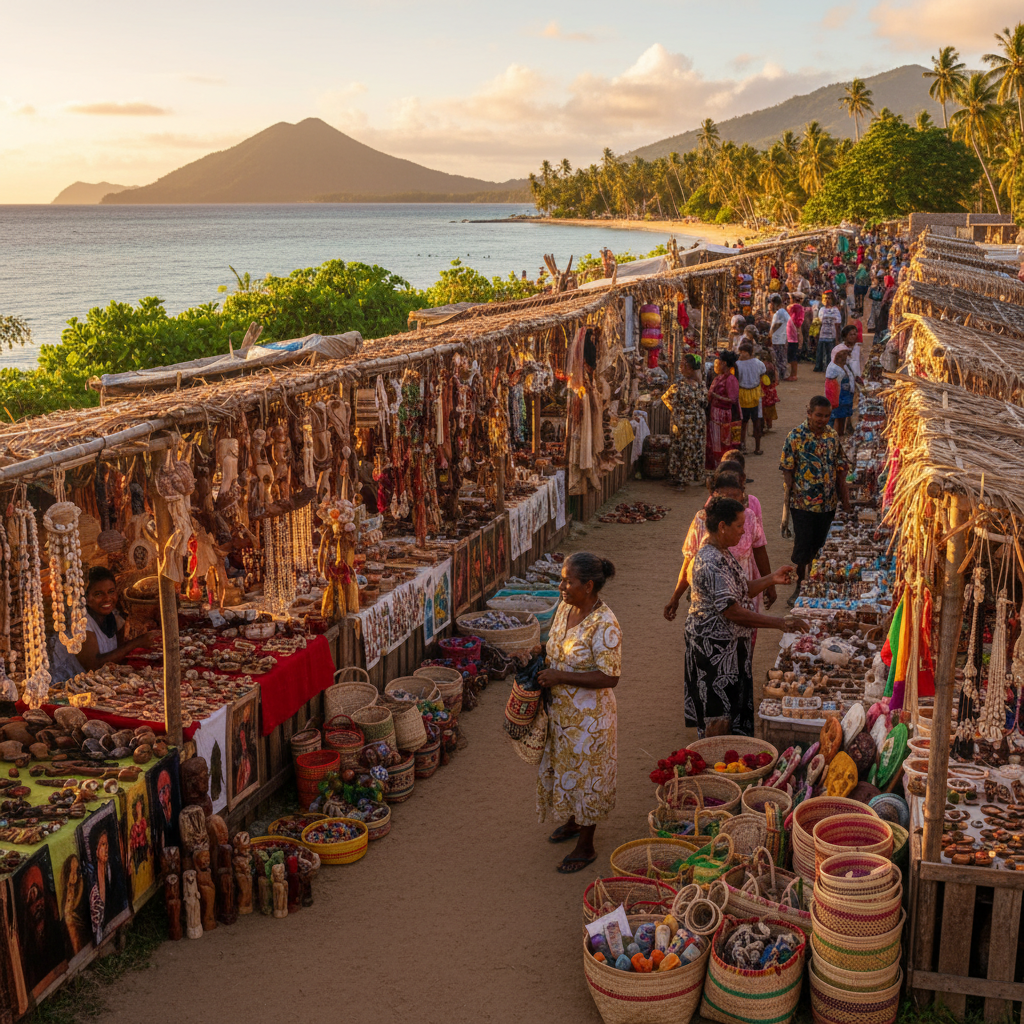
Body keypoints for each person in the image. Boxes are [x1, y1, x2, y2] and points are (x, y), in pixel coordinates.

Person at [672, 496, 807, 736]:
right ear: (722, 526)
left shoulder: (721, 551)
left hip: (727, 649)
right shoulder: (710, 560)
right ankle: (717, 761)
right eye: (738, 526)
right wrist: (780, 623)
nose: (743, 531)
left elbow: (741, 587)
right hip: (714, 652)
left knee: (730, 710)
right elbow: (732, 611)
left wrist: (771, 578)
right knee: (719, 715)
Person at [538, 552, 621, 874]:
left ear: (588, 586)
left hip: (590, 721)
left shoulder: (605, 624)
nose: (562, 585)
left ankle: (586, 845)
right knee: (565, 766)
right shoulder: (565, 608)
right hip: (561, 713)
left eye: (568, 581)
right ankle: (573, 821)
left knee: (589, 777)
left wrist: (561, 677)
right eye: (562, 578)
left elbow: (610, 676)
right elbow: (555, 644)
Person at [780, 396, 852, 603]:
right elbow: (787, 469)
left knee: (820, 547)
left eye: (827, 416)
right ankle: (800, 587)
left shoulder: (832, 436)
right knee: (803, 546)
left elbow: (840, 468)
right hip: (803, 504)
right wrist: (792, 494)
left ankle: (814, 586)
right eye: (818, 415)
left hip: (828, 504)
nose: (822, 419)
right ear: (809, 412)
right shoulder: (795, 437)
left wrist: (844, 501)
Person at [51, 567, 160, 680]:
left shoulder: (114, 617)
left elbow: (119, 656)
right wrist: (138, 642)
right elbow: (94, 666)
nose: (107, 598)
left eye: (111, 592)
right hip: (67, 685)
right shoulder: (80, 623)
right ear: (86, 598)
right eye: (98, 594)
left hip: (98, 683)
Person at [662, 354, 707, 488]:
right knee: (682, 448)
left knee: (694, 448)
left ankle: (691, 476)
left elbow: (705, 402)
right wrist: (676, 411)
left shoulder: (699, 385)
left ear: (690, 368)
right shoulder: (679, 386)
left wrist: (676, 411)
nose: (681, 367)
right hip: (684, 422)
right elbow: (666, 398)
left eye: (684, 364)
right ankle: (681, 478)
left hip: (695, 422)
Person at [706, 351, 740, 469]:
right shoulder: (720, 377)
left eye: (718, 363)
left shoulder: (730, 379)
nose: (716, 365)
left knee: (721, 443)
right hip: (716, 415)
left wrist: (716, 396)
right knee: (716, 442)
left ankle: (721, 467)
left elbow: (733, 399)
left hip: (722, 415)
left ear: (724, 363)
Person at [735, 342, 765, 456]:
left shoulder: (737, 364)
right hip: (754, 393)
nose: (742, 355)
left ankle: (744, 446)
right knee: (754, 421)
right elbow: (763, 375)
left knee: (744, 422)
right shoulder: (759, 363)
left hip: (744, 394)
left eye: (743, 352)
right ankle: (756, 448)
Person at [825, 343, 858, 436]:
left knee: (843, 416)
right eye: (843, 354)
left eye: (846, 354)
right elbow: (830, 386)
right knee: (834, 416)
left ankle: (841, 432)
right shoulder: (833, 368)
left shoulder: (845, 366)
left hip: (846, 397)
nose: (845, 357)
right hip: (837, 396)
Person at [814, 294, 843, 372]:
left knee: (830, 353)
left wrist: (837, 338)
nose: (827, 300)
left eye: (829, 298)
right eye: (825, 298)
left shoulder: (835, 310)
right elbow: (818, 322)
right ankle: (818, 366)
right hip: (822, 334)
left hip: (831, 335)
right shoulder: (821, 309)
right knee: (820, 352)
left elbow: (837, 324)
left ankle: (829, 367)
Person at [769, 295, 789, 381]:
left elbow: (778, 324)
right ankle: (781, 374)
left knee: (778, 357)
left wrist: (770, 333)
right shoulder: (781, 312)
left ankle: (781, 375)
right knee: (780, 356)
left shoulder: (780, 312)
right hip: (780, 337)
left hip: (779, 338)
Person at [785, 295, 804, 380]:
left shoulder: (794, 321)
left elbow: (799, 332)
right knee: (792, 357)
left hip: (792, 340)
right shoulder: (792, 320)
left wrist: (800, 341)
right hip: (791, 339)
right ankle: (793, 374)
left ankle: (793, 375)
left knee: (793, 358)